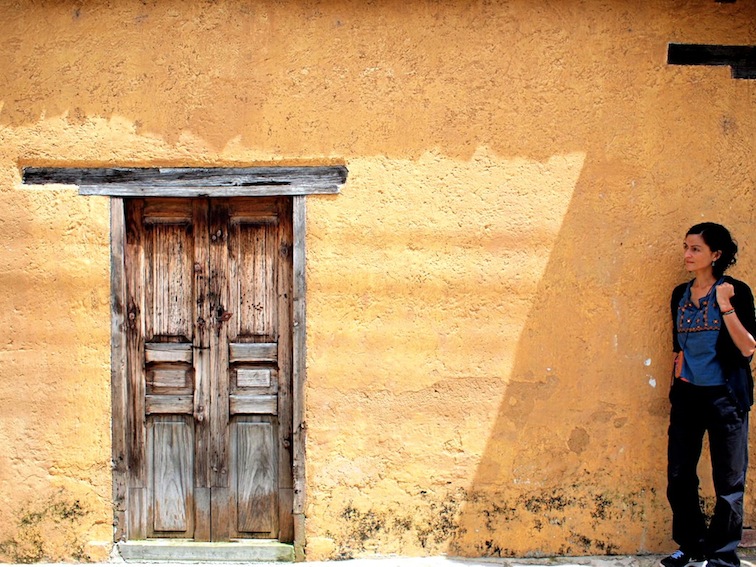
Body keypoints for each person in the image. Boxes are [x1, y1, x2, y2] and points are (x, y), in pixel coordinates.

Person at [662, 223, 756, 567]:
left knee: (729, 482)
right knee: (679, 474)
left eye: (696, 249)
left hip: (725, 396)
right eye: (685, 247)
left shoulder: (736, 291)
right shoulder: (679, 295)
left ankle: (721, 555)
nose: (687, 255)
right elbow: (679, 346)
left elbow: (747, 348)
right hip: (688, 396)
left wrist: (725, 306)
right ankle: (691, 546)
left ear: (716, 255)